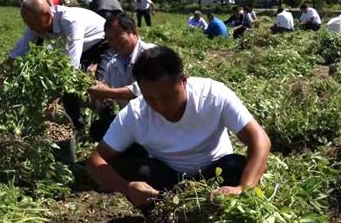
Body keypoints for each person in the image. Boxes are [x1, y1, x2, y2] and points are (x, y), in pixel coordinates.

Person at [85, 46, 271, 209]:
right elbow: (95, 160)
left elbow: (259, 140)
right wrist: (126, 188)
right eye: (150, 99)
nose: (160, 105)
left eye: (167, 97)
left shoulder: (213, 95)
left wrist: (243, 188)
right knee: (136, 171)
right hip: (168, 181)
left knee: (236, 166)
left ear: (183, 81)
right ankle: (164, 216)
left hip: (214, 174)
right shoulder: (136, 113)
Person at [8, 0, 112, 128]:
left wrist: (56, 97)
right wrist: (1, 74)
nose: (32, 29)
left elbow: (71, 65)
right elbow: (20, 50)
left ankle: (109, 123)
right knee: (72, 89)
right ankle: (76, 126)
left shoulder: (70, 21)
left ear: (46, 15)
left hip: (105, 43)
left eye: (33, 24)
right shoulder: (34, 24)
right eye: (28, 24)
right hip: (84, 47)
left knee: (98, 85)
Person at [87, 13, 156, 142]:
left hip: (156, 119)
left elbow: (143, 90)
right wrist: (93, 99)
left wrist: (107, 92)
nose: (114, 43)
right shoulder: (113, 64)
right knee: (98, 128)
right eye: (109, 39)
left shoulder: (150, 53)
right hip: (133, 120)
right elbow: (104, 91)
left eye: (118, 36)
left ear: (134, 33)